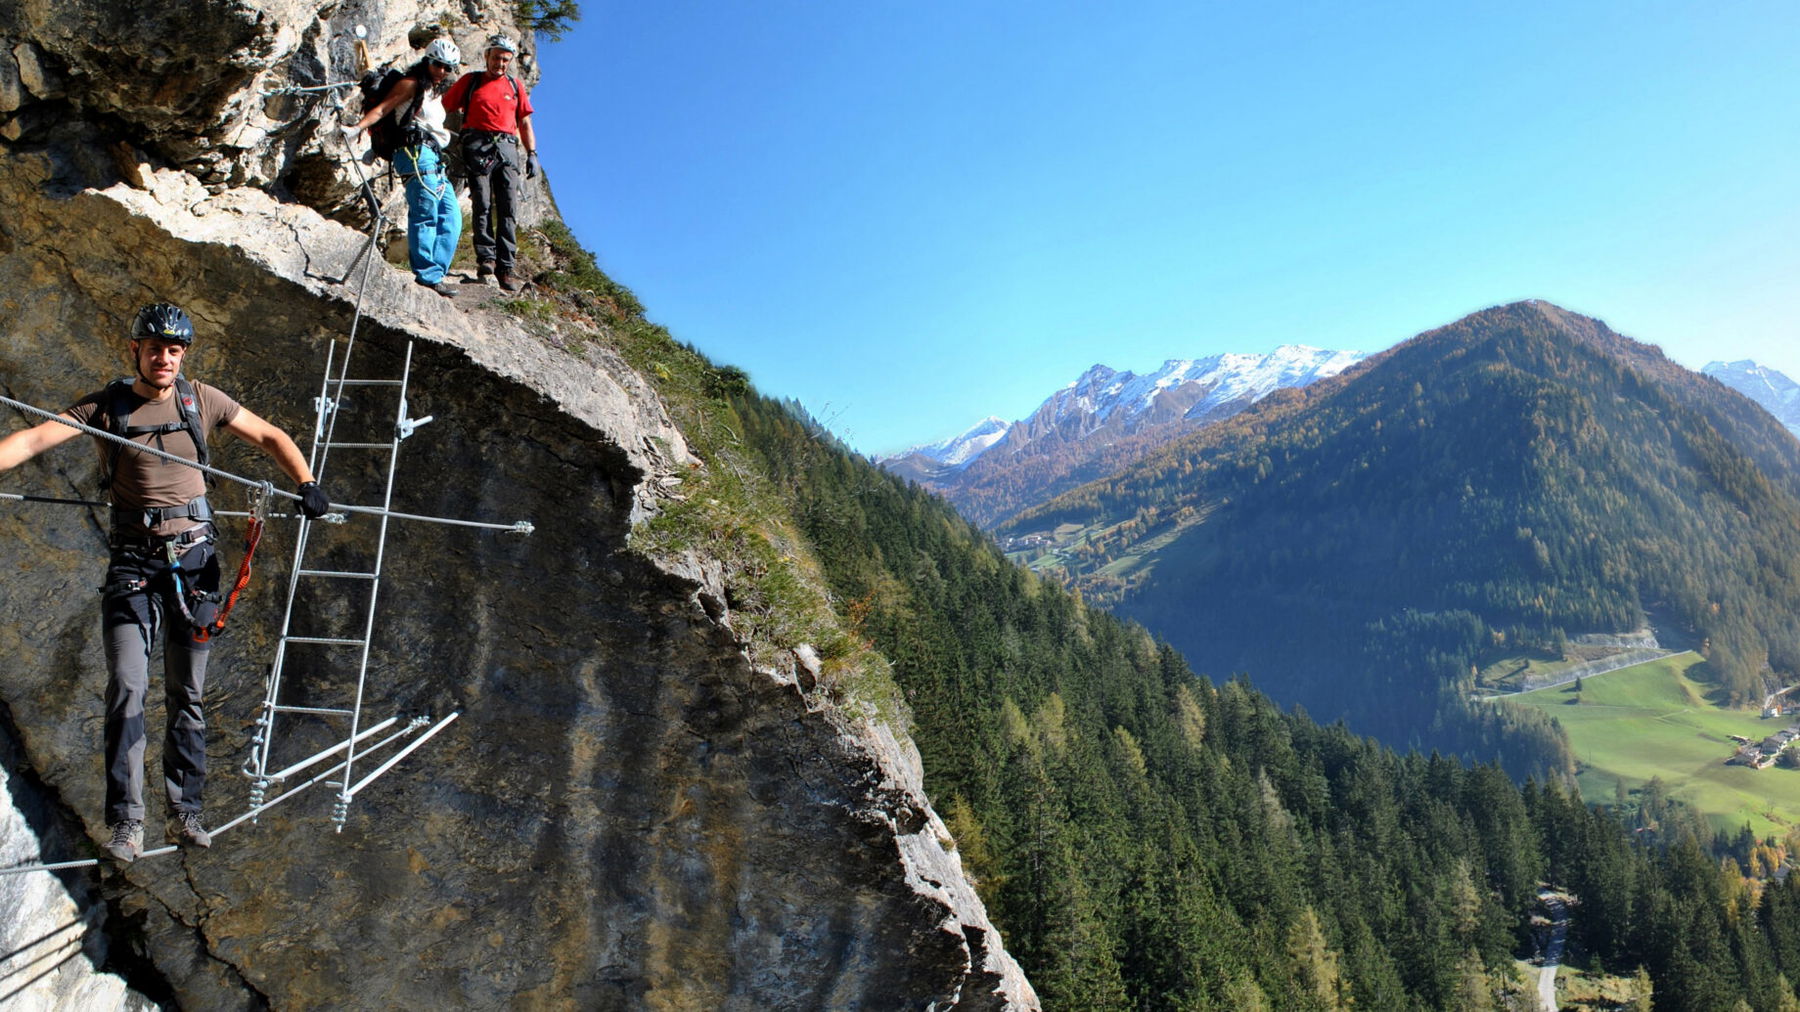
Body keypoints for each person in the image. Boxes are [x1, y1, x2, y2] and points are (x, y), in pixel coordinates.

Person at [0, 303, 331, 863]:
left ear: (183, 355)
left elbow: (270, 435)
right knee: (128, 686)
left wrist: (306, 481)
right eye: (155, 348)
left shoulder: (201, 399)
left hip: (195, 563)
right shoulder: (104, 407)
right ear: (136, 349)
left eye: (175, 350)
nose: (165, 358)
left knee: (187, 692)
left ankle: (186, 813)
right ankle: (128, 824)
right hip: (133, 565)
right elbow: (32, 441)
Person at [347, 38, 464, 298]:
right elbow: (382, 109)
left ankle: (436, 271)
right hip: (414, 151)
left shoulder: (434, 93)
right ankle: (428, 275)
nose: (442, 71)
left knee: (452, 217)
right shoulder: (411, 84)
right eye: (438, 64)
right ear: (427, 61)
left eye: (448, 67)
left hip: (433, 156)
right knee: (426, 209)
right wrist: (357, 127)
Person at [443, 34, 538, 292]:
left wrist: (532, 153)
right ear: (487, 56)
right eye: (496, 57)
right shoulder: (471, 81)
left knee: (508, 209)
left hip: (507, 148)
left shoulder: (515, 86)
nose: (500, 63)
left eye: (506, 59)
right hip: (477, 144)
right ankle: (486, 259)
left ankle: (505, 267)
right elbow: (446, 105)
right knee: (482, 203)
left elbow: (525, 122)